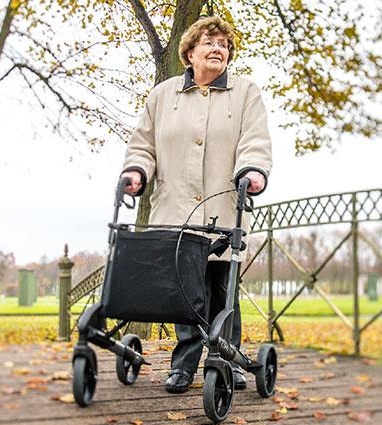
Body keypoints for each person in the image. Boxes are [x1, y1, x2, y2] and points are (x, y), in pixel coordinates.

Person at [120, 16, 273, 394]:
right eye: (208, 41)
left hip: (224, 206)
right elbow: (143, 144)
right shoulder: (163, 95)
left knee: (223, 290)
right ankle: (184, 365)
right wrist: (137, 171)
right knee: (185, 293)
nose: (217, 48)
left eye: (223, 43)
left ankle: (227, 359)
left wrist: (252, 171)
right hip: (174, 207)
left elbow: (255, 140)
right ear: (189, 53)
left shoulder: (245, 92)